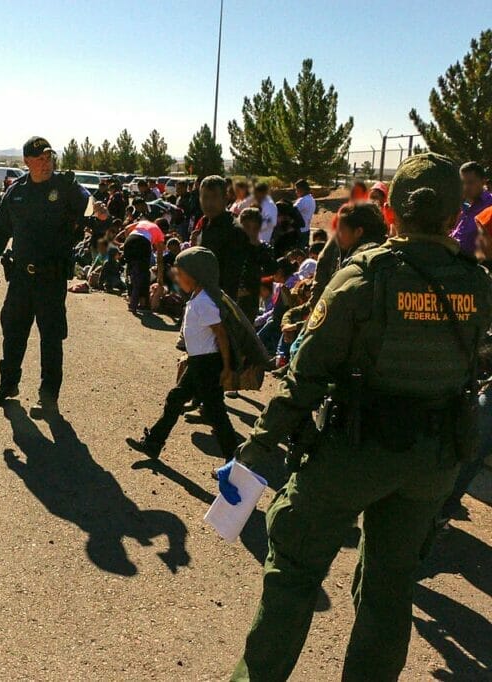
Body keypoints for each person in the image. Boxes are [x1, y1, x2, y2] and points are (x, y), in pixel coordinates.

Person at [220, 153, 492, 681]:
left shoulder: (365, 276)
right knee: (391, 588)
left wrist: (256, 449)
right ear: (454, 214)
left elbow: (305, 378)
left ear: (391, 214)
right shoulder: (476, 284)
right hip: (431, 462)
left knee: (293, 570)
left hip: (354, 451)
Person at [0, 136, 89, 417]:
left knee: (51, 338)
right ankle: (8, 385)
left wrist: (99, 212)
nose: (46, 163)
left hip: (51, 278)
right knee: (13, 331)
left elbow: (89, 204)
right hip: (20, 278)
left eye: (49, 158)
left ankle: (48, 396)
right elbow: (0, 230)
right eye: (40, 158)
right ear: (27, 162)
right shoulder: (16, 193)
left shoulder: (65, 189)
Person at [133, 247, 240, 459]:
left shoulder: (205, 302)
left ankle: (235, 464)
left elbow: (221, 335)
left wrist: (227, 368)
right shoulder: (198, 297)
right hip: (198, 362)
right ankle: (154, 443)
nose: (178, 278)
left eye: (181, 274)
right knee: (176, 399)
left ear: (195, 275)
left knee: (216, 413)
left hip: (207, 364)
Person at [193, 176, 249, 300]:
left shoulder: (235, 230)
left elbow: (233, 278)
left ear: (225, 198)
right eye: (205, 197)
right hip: (204, 299)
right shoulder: (205, 224)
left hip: (221, 304)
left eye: (214, 197)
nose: (209, 203)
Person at [449, 161, 492, 256]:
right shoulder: (465, 206)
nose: (465, 187)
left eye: (470, 183)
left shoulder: (489, 205)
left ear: (483, 182)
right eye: (463, 183)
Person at [293, 179, 316, 243]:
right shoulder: (311, 199)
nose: (296, 192)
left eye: (296, 189)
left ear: (301, 189)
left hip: (299, 231)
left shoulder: (303, 200)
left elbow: (291, 211)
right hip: (306, 229)